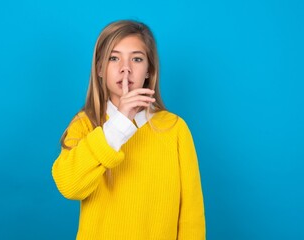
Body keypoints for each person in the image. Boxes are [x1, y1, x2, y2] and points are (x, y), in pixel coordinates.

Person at [52, 20, 205, 239]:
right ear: (100, 69)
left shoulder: (175, 129)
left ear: (148, 70)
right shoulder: (85, 123)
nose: (126, 68)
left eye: (137, 58)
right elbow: (68, 185)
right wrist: (120, 123)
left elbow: (191, 216)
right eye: (114, 58)